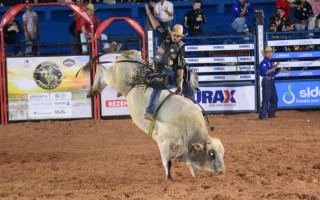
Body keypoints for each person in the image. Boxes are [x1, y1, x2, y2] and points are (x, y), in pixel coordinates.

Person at [144, 3, 196, 121]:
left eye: (178, 36)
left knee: (190, 88)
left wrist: (179, 83)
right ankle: (149, 111)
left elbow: (180, 65)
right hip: (161, 70)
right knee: (159, 82)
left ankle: (192, 112)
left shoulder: (181, 47)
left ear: (181, 37)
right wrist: (149, 14)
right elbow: (156, 25)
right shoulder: (164, 36)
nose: (176, 37)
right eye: (174, 35)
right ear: (171, 33)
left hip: (171, 73)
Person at [258, 46, 287, 120]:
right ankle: (262, 115)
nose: (270, 54)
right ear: (265, 53)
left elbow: (273, 73)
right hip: (267, 81)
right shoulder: (264, 62)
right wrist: (275, 67)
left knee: (274, 98)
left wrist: (279, 70)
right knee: (266, 98)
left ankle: (271, 113)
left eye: (271, 52)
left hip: (271, 80)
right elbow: (266, 72)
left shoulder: (271, 62)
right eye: (268, 52)